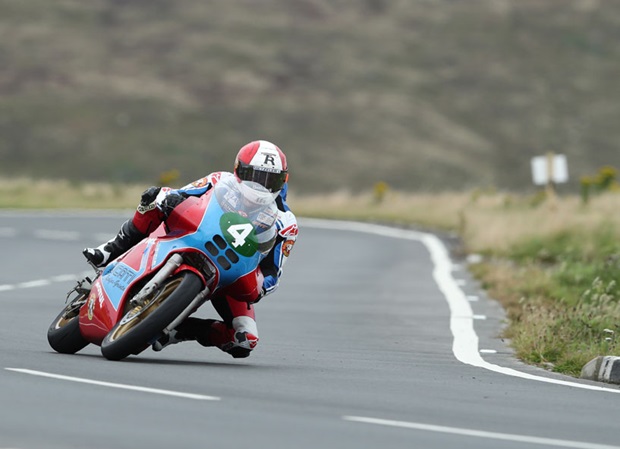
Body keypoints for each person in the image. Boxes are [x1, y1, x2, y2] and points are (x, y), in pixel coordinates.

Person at [83, 140, 298, 358]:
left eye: (269, 180)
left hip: (231, 272)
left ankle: (178, 331)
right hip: (191, 237)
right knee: (154, 197)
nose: (260, 186)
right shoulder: (219, 180)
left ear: (282, 181)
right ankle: (111, 249)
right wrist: (167, 198)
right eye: (254, 176)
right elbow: (184, 194)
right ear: (239, 170)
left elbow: (274, 272)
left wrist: (261, 287)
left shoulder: (287, 223)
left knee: (245, 341)